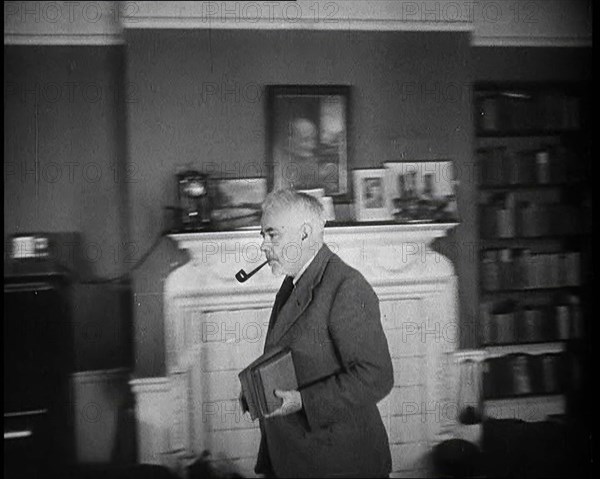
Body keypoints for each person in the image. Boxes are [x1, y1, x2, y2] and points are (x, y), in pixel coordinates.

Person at [241, 189, 394, 478]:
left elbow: (377, 376)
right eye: (263, 235)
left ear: (304, 234)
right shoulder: (292, 283)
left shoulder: (346, 287)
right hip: (298, 458)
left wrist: (303, 402)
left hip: (339, 462)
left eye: (272, 235)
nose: (263, 246)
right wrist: (255, 392)